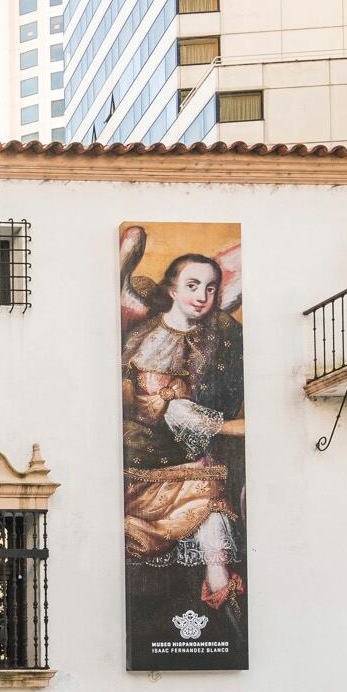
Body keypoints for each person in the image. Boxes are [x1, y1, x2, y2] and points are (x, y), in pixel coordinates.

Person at [119, 229, 247, 633]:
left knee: (212, 525)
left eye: (210, 287)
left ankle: (224, 614)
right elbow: (131, 401)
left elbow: (226, 398)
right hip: (140, 466)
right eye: (192, 285)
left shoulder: (221, 333)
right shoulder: (141, 337)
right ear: (172, 289)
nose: (202, 296)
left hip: (195, 465)